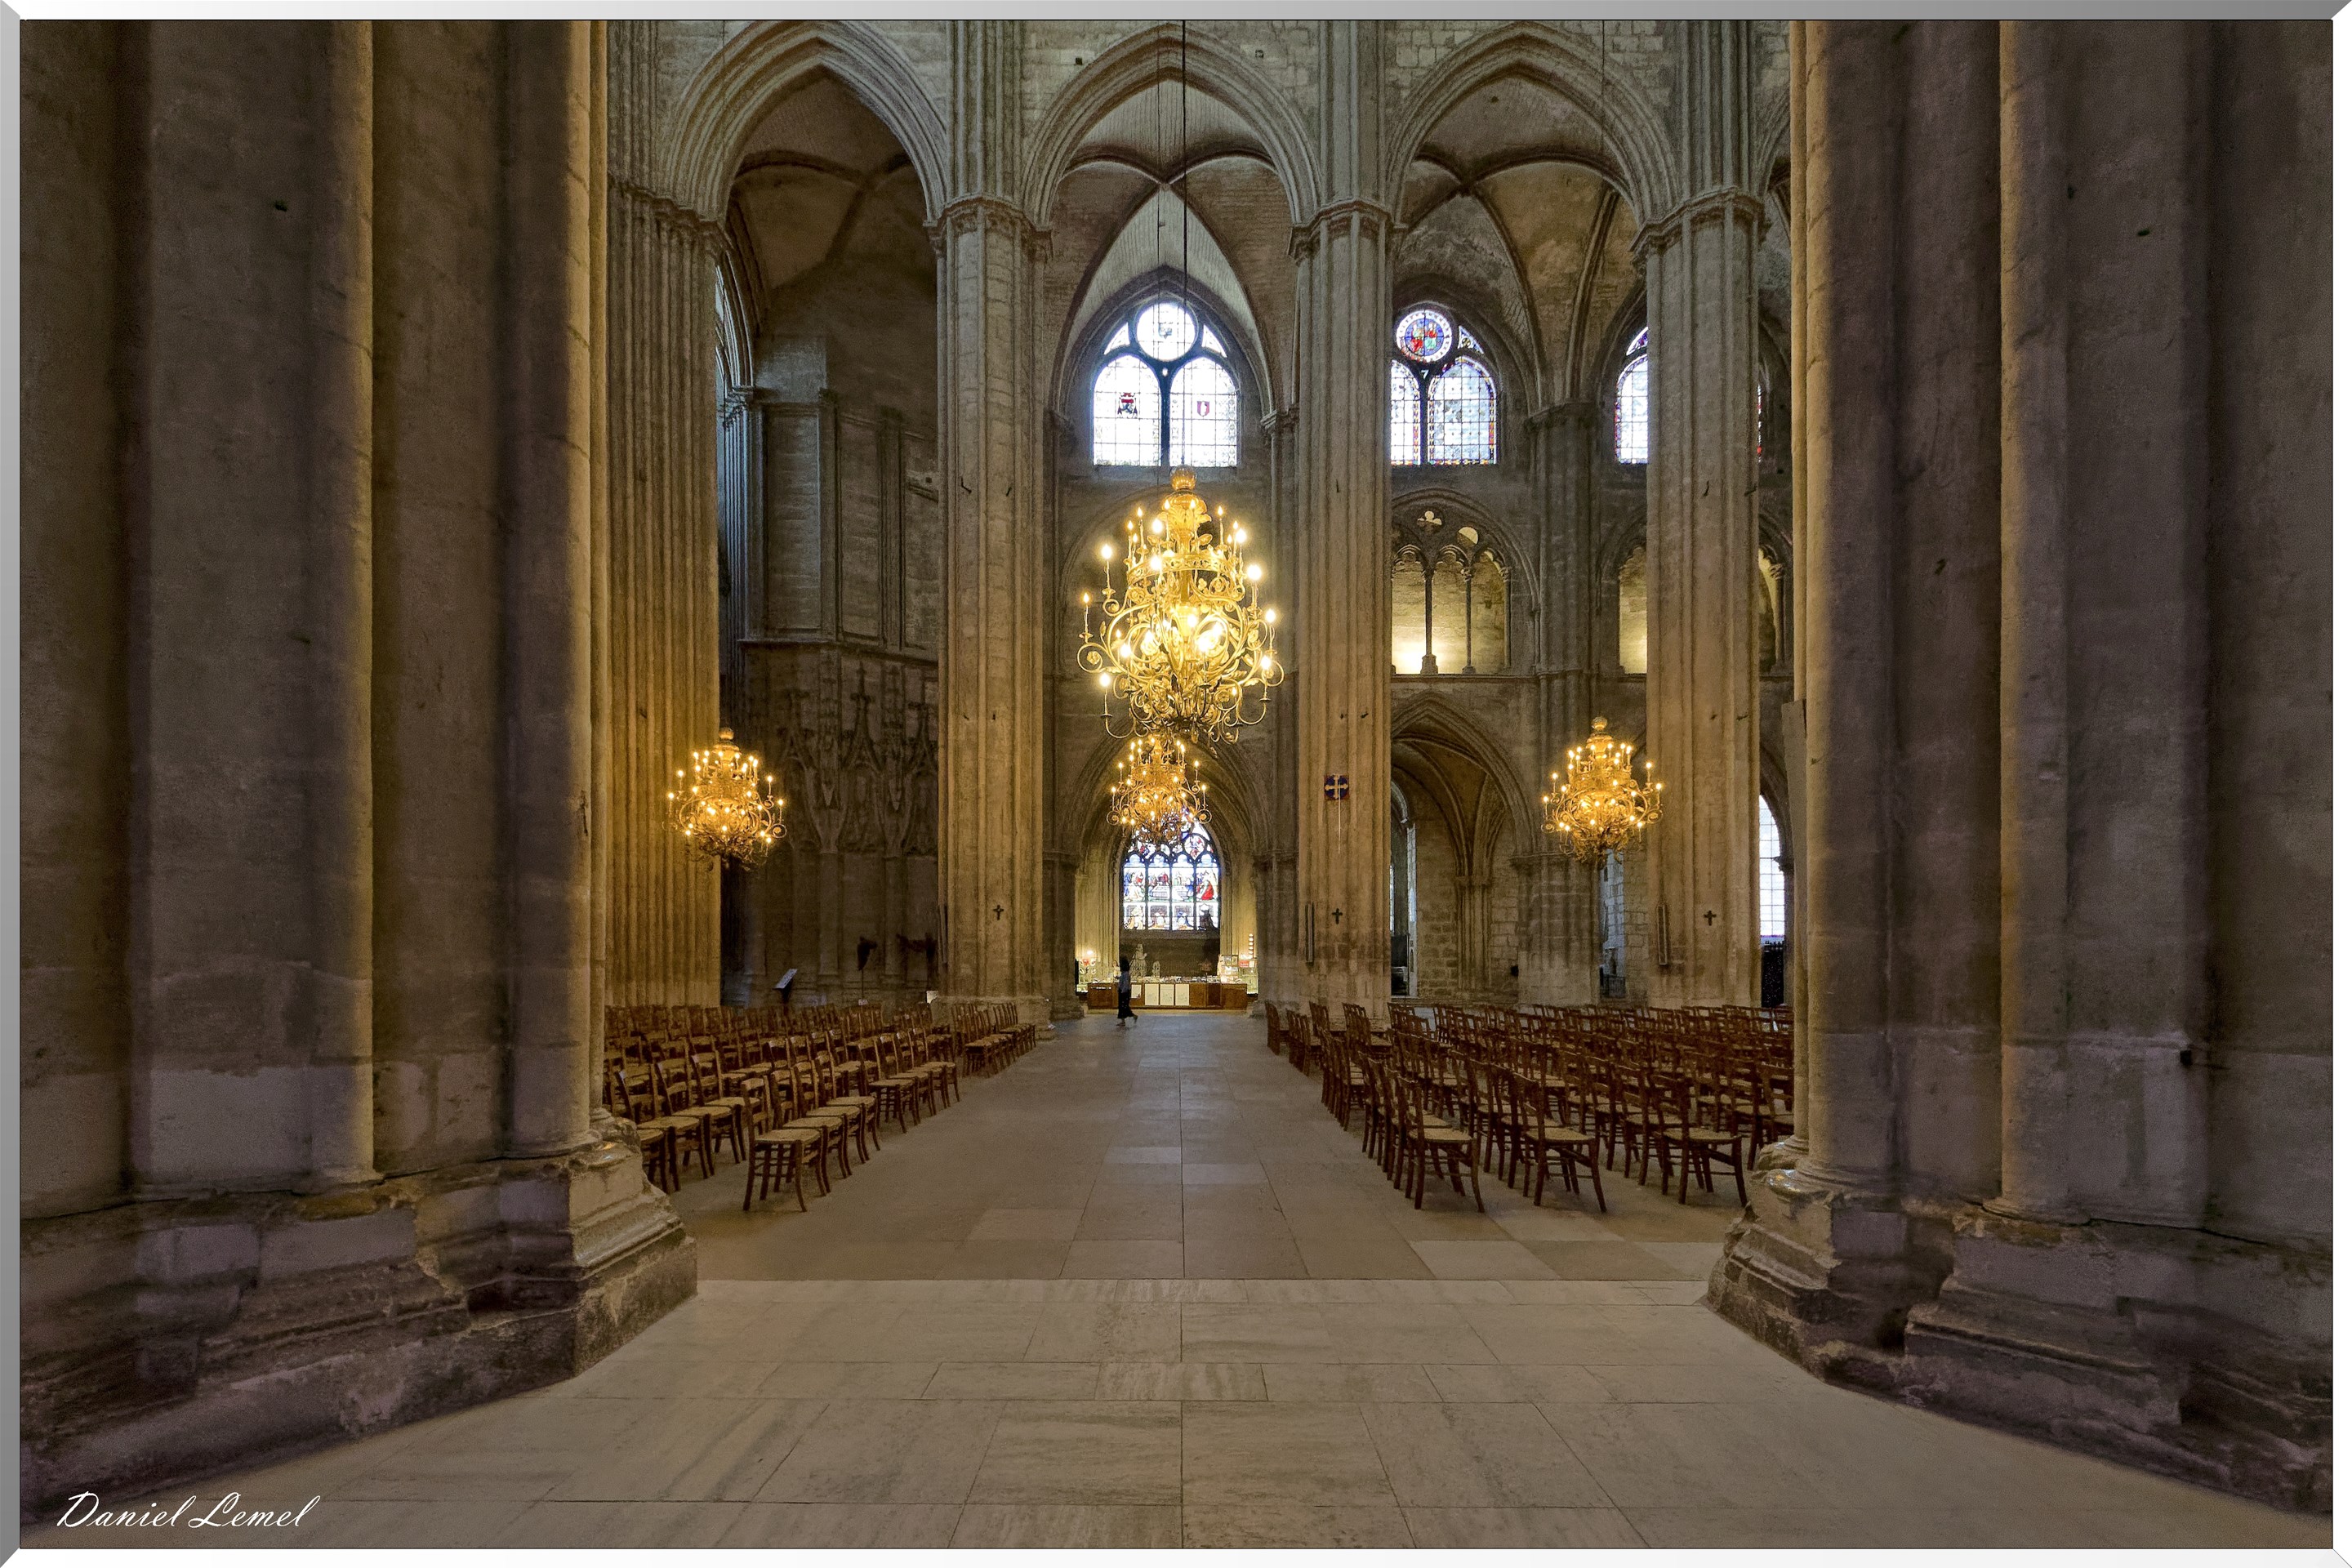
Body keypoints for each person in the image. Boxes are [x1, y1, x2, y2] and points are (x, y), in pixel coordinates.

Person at [1115, 956, 1135, 1027]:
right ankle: (1126, 1019)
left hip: (1124, 992)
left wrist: (1122, 991)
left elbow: (1126, 984)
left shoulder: (1125, 974)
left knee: (1123, 1007)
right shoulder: (1125, 973)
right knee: (1124, 1007)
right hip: (1124, 991)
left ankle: (1125, 1020)